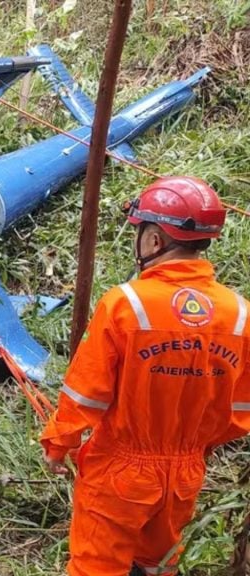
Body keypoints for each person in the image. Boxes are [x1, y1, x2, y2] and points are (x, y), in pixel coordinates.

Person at [41, 176, 250, 576]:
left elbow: (86, 392)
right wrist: (190, 445)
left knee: (96, 566)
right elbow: (240, 410)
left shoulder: (126, 304)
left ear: (154, 240)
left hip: (120, 472)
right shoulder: (239, 313)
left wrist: (58, 443)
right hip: (185, 473)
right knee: (158, 564)